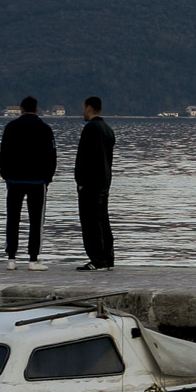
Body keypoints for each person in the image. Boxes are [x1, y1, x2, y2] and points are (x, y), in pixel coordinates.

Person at [0, 96, 57, 271]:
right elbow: (52, 156)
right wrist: (48, 178)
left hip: (14, 180)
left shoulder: (11, 127)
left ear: (21, 109)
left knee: (12, 219)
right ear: (36, 110)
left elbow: (3, 154)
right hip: (37, 181)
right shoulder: (45, 129)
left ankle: (11, 258)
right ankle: (33, 259)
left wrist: (6, 176)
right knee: (36, 221)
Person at [74, 95, 116, 270]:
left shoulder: (90, 129)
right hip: (104, 181)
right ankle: (108, 257)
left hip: (91, 183)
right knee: (103, 220)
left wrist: (81, 180)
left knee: (90, 221)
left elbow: (85, 157)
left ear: (89, 108)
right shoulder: (107, 129)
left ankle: (97, 259)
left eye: (84, 108)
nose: (83, 111)